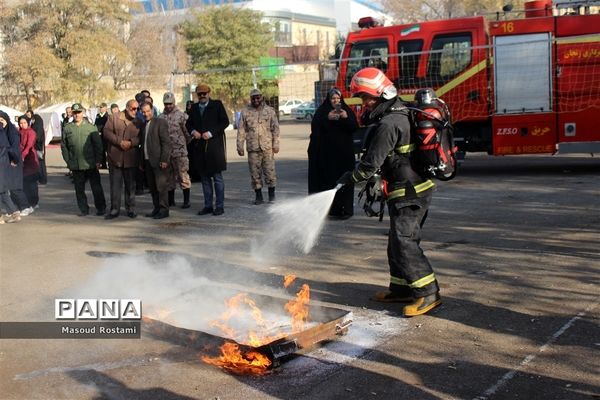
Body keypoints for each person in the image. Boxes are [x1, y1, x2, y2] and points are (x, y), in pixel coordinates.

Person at [336, 67, 441, 317]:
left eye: (366, 98)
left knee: (404, 241)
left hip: (409, 191)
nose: (364, 104)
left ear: (380, 95)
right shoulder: (400, 112)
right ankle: (401, 287)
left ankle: (428, 293)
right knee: (396, 241)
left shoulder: (389, 124)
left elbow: (370, 164)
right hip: (408, 188)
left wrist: (350, 178)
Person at [308, 87, 358, 219]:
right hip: (328, 157)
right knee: (329, 182)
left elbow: (354, 127)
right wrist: (327, 118)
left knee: (345, 182)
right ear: (329, 100)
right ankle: (330, 210)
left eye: (338, 98)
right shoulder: (322, 112)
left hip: (344, 156)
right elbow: (315, 129)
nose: (336, 101)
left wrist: (346, 118)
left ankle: (346, 210)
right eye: (333, 98)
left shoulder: (347, 111)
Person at [186, 84, 229, 216]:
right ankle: (208, 205)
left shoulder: (217, 105)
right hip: (200, 149)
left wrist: (211, 133)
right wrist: (193, 132)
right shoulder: (193, 108)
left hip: (214, 148)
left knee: (217, 178)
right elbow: (188, 124)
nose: (202, 96)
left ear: (209, 93)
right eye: (200, 94)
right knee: (204, 179)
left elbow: (224, 122)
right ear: (197, 95)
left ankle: (219, 206)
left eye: (204, 93)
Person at [61, 103, 106, 216]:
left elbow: (98, 145)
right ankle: (83, 209)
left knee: (96, 188)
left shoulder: (90, 127)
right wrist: (68, 161)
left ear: (83, 113)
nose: (77, 115)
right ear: (72, 113)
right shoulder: (68, 128)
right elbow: (64, 146)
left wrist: (98, 160)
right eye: (75, 113)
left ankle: (101, 208)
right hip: (76, 165)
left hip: (90, 164)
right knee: (79, 189)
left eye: (79, 112)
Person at [237, 88, 280, 205]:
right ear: (250, 99)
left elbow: (275, 128)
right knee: (255, 173)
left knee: (270, 172)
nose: (256, 100)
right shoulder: (245, 112)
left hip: (267, 147)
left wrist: (276, 144)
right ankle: (258, 196)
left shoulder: (270, 111)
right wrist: (239, 145)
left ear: (262, 98)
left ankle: (272, 196)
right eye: (253, 98)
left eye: (258, 97)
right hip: (253, 148)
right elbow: (241, 129)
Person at [102, 99, 142, 219]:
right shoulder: (113, 118)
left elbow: (141, 136)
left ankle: (131, 209)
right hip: (115, 157)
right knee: (115, 186)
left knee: (130, 186)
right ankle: (114, 209)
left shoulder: (139, 121)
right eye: (133, 109)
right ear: (127, 107)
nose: (136, 111)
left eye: (137, 109)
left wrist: (131, 142)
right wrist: (119, 142)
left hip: (131, 158)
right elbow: (106, 132)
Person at [159, 92, 192, 209]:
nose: (168, 106)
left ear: (174, 103)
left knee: (183, 176)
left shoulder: (182, 116)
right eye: (166, 104)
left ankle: (186, 200)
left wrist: (183, 145)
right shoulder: (161, 117)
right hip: (167, 154)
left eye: (170, 103)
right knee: (169, 178)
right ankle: (171, 200)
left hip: (180, 151)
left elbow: (188, 133)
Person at [140, 102, 172, 219]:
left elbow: (166, 143)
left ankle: (164, 210)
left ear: (152, 110)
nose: (145, 114)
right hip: (148, 161)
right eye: (143, 112)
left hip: (159, 161)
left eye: (147, 111)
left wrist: (164, 159)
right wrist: (142, 162)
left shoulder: (160, 122)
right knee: (152, 187)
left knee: (161, 187)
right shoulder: (144, 125)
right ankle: (156, 208)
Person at [0, 111, 22, 223]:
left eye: (2, 120)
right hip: (6, 162)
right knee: (2, 190)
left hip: (10, 163)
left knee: (5, 189)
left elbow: (14, 149)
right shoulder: (3, 131)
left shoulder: (11, 132)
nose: (0, 123)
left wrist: (15, 159)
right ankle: (14, 213)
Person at [17, 116, 40, 211]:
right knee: (24, 182)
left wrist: (22, 156)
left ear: (28, 123)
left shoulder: (31, 132)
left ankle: (34, 202)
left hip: (30, 159)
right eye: (21, 123)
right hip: (21, 159)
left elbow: (29, 146)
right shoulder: (19, 132)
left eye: (24, 123)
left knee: (31, 183)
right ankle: (27, 201)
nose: (22, 125)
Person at [25, 109, 47, 185]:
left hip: (39, 148)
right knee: (39, 164)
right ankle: (41, 178)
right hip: (38, 147)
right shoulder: (36, 126)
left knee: (40, 164)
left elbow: (38, 138)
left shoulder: (38, 127)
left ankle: (43, 179)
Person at [94, 102, 110, 169]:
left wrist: (102, 132)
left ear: (105, 108)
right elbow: (96, 124)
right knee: (101, 149)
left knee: (107, 149)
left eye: (102, 107)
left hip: (105, 135)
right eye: (100, 107)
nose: (100, 108)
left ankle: (109, 164)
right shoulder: (98, 115)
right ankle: (103, 164)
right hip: (99, 135)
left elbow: (107, 126)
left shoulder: (107, 116)